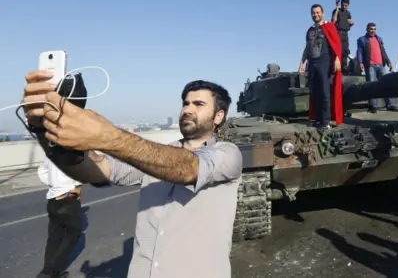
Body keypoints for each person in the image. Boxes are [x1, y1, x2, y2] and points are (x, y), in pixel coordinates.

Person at [22, 74, 243, 278]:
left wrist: (106, 136)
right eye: (185, 103)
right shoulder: (153, 156)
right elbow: (95, 170)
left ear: (218, 116)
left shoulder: (228, 154)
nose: (188, 109)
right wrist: (45, 132)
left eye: (199, 104)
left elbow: (188, 168)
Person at [37, 158, 83, 278]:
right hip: (68, 197)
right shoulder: (75, 151)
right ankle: (47, 272)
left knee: (54, 236)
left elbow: (41, 171)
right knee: (74, 232)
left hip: (52, 199)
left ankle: (53, 273)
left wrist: (54, 182)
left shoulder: (51, 153)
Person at [299, 3, 343, 127]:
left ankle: (326, 120)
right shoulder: (310, 30)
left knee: (324, 91)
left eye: (318, 12)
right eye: (313, 13)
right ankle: (317, 119)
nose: (315, 15)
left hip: (324, 61)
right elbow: (307, 47)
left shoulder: (329, 26)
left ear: (322, 13)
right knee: (314, 92)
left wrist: (338, 59)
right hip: (312, 63)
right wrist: (302, 62)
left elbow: (336, 44)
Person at [356, 22, 398, 113]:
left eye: (374, 29)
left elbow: (383, 51)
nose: (373, 31)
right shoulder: (362, 40)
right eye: (371, 29)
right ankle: (373, 105)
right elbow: (359, 52)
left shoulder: (379, 39)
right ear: (367, 30)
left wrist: (389, 62)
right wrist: (360, 62)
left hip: (380, 65)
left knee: (385, 84)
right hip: (370, 65)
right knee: (372, 85)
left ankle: (390, 104)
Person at [331, 0, 353, 73]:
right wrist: (337, 10)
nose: (344, 7)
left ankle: (344, 67)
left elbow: (349, 22)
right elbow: (333, 21)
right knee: (338, 51)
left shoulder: (348, 13)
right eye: (343, 5)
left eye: (346, 5)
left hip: (345, 33)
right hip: (338, 32)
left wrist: (351, 23)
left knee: (345, 51)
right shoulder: (336, 11)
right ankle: (336, 68)